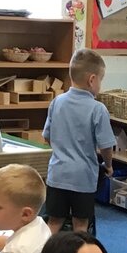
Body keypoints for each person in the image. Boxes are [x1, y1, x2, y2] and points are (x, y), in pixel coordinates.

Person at [42, 48, 116, 234]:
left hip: (57, 174)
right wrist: (108, 165)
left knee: (54, 222)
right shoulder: (98, 109)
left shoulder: (57, 102)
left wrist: (62, 149)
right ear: (92, 80)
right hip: (83, 177)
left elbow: (47, 136)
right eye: (101, 80)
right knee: (81, 225)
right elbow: (106, 145)